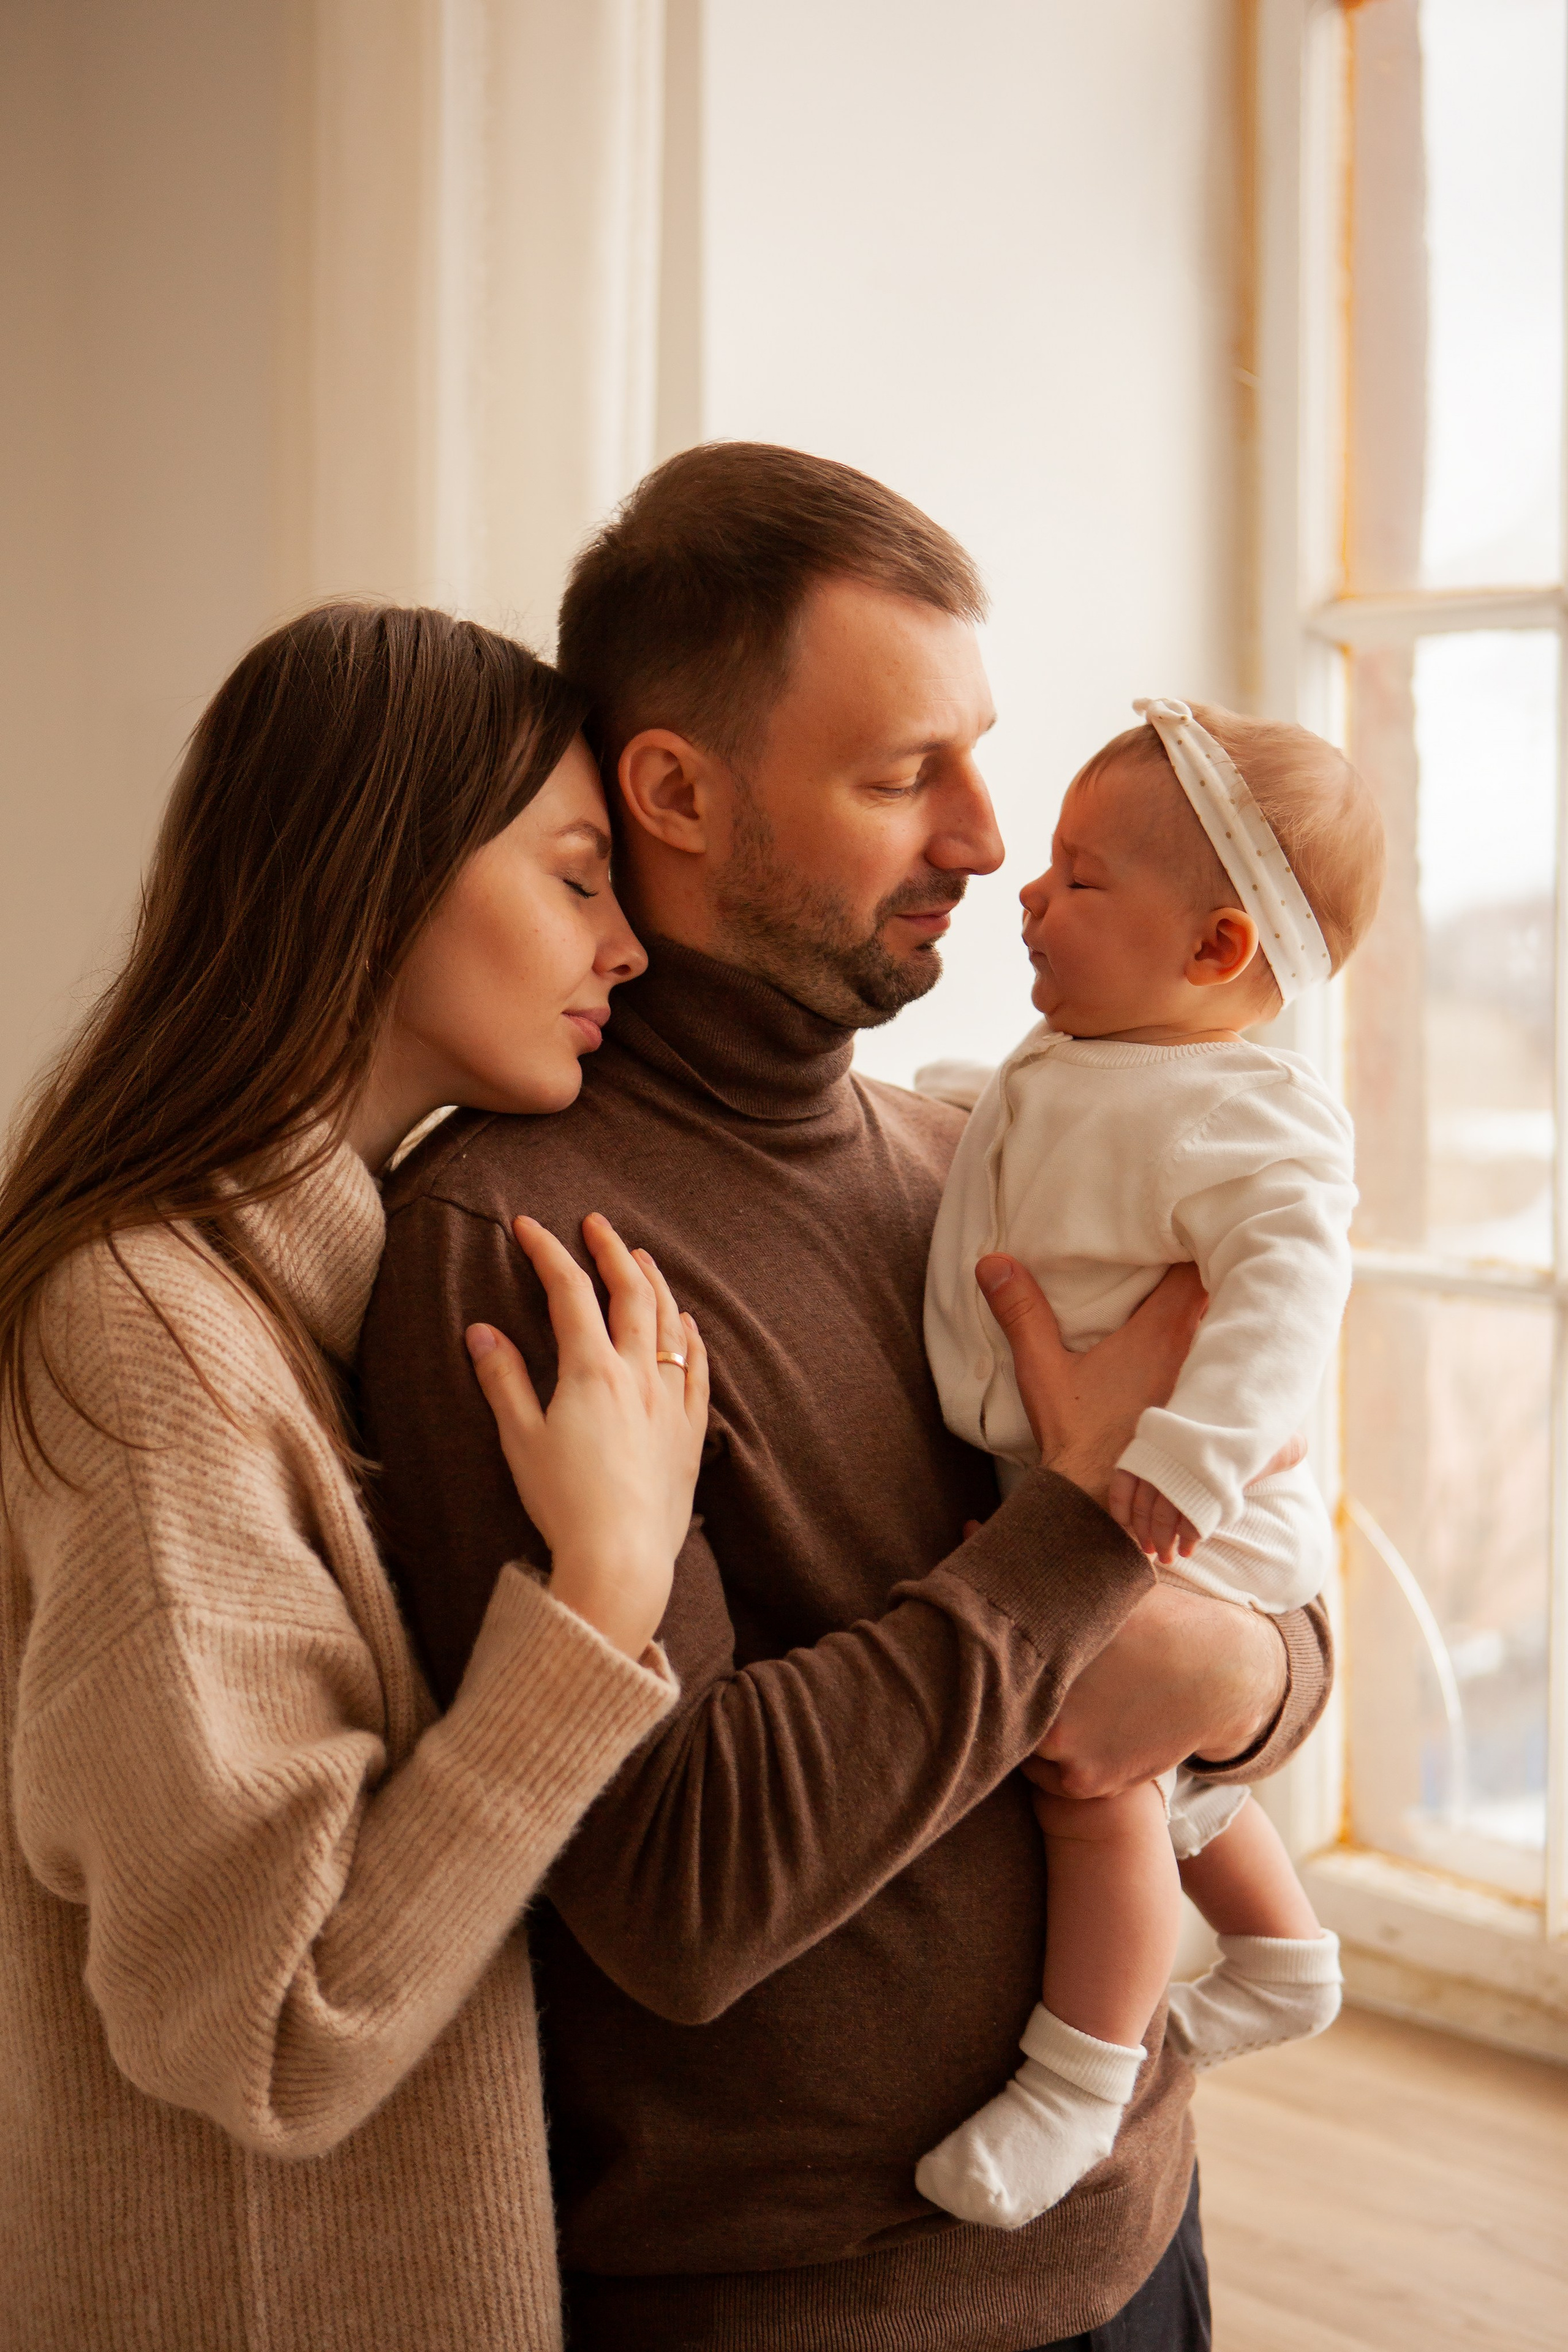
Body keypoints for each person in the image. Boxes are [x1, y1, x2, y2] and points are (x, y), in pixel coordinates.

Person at [360, 445, 1335, 2352]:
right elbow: (681, 1893)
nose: (985, 836)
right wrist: (1080, 1542)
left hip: (1138, 2226)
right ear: (676, 795)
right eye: (902, 778)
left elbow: (1273, 1608)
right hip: (827, 2313)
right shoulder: (528, 1249)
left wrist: (1242, 1675)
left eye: (977, 759)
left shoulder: (978, 1158)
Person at [0, 602, 712, 2352]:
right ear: (377, 875)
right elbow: (273, 2029)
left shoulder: (299, 1291)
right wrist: (600, 1598)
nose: (626, 946)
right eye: (577, 879)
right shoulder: (149, 1331)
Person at [916, 696, 1385, 2229]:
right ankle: (1286, 1959)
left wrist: (1188, 1456)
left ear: (1213, 949)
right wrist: (933, 1108)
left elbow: (1282, 1300)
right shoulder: (1084, 1055)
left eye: (1078, 875)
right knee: (1160, 1757)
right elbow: (1028, 1138)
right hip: (1093, 1481)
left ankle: (1076, 2082)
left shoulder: (1255, 1123)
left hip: (1190, 1509)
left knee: (1095, 1774)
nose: (1026, 892)